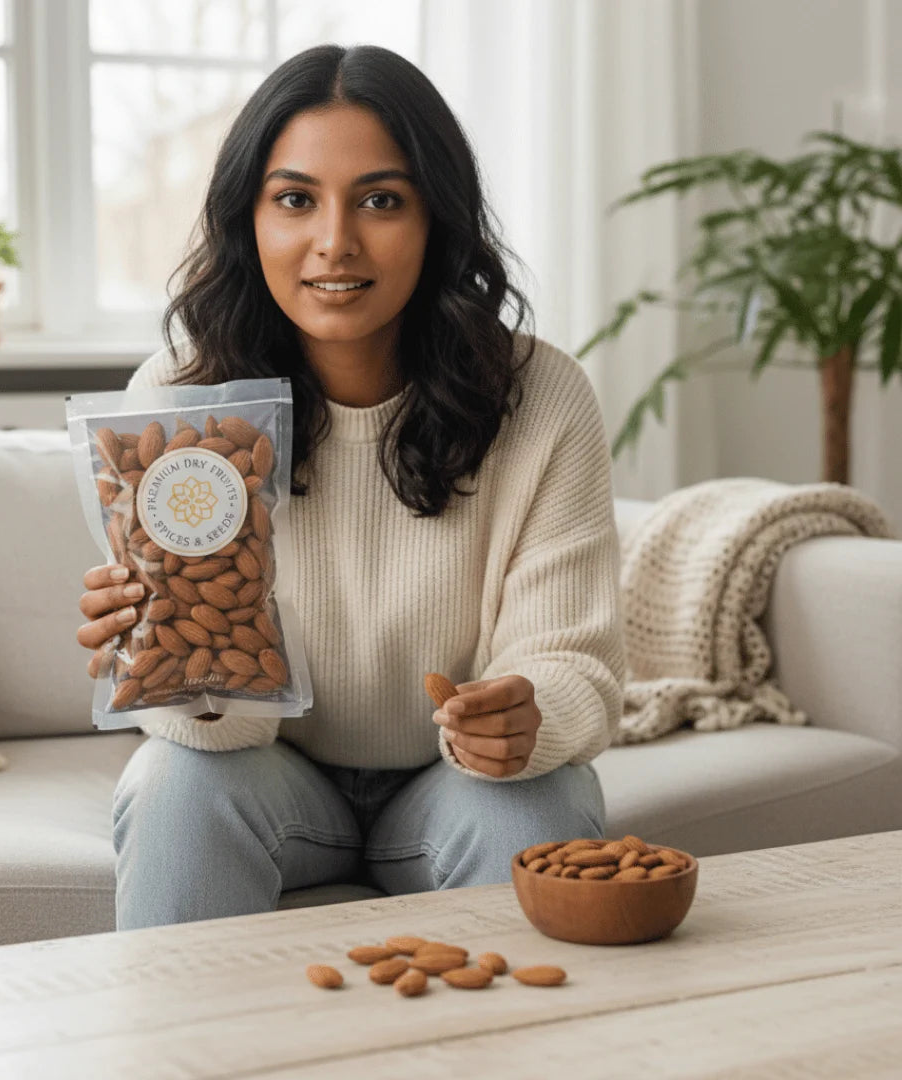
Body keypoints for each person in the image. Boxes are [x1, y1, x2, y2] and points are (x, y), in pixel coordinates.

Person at [76, 44, 626, 932]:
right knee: (174, 783)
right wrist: (177, 667)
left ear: (435, 217)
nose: (335, 240)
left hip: (457, 783)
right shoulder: (179, 401)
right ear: (247, 219)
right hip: (271, 779)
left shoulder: (542, 396)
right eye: (295, 199)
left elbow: (572, 661)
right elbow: (220, 727)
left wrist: (531, 715)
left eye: (381, 199)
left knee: (542, 804)